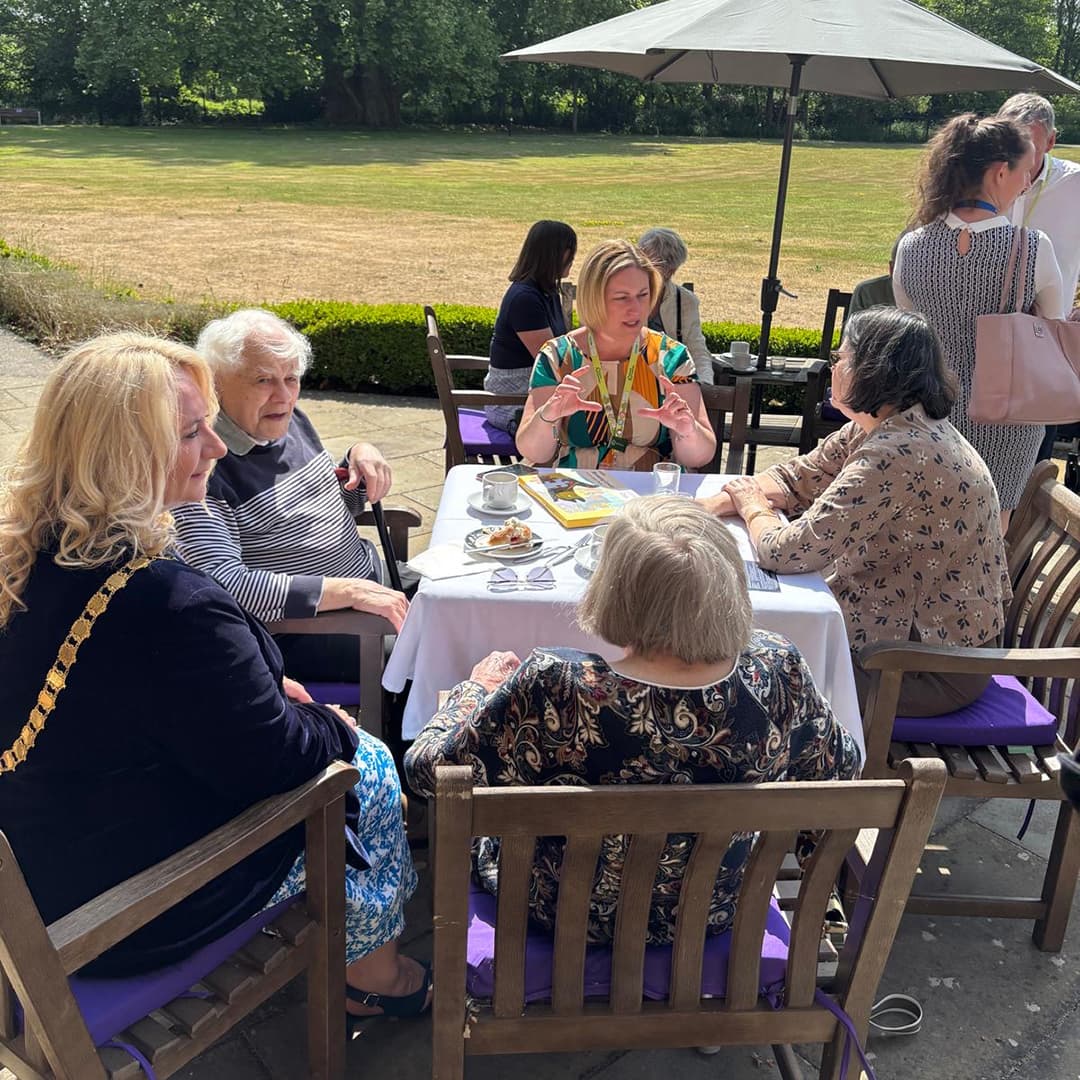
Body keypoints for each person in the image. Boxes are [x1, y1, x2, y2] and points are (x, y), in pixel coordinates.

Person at [0, 334, 428, 1017]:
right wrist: (327, 722)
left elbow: (124, 703)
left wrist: (259, 697)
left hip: (46, 865)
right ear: (125, 455)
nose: (218, 448)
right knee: (365, 769)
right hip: (124, 917)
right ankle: (374, 976)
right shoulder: (170, 604)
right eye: (193, 432)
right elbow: (278, 764)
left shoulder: (28, 556)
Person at [404, 496, 858, 945]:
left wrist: (475, 690)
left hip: (556, 918)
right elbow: (842, 768)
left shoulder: (556, 685)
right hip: (711, 917)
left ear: (616, 590)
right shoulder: (778, 672)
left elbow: (428, 772)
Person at [701, 307, 1011, 718]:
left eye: (841, 357)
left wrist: (752, 506)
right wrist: (717, 504)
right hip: (905, 645)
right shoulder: (885, 425)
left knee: (738, 671)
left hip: (921, 667)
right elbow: (798, 477)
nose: (834, 366)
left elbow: (786, 552)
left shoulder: (897, 452)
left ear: (874, 370)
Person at [172, 308, 409, 686]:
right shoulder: (202, 468)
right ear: (214, 384)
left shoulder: (289, 420)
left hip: (373, 583)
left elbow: (330, 510)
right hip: (308, 628)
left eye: (291, 378)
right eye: (263, 379)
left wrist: (358, 463)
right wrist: (349, 591)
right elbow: (222, 585)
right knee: (437, 651)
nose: (283, 396)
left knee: (473, 600)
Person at [892, 113, 1066, 523]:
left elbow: (911, 323)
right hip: (1008, 418)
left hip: (929, 411)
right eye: (1024, 172)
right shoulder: (1033, 248)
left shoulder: (911, 245)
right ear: (1000, 172)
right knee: (993, 533)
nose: (1027, 184)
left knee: (927, 522)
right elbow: (1053, 328)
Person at [514, 239, 716, 471]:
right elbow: (534, 453)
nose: (636, 308)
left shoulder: (671, 357)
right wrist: (549, 415)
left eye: (643, 295)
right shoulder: (558, 356)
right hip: (574, 491)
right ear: (594, 298)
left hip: (648, 494)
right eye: (622, 297)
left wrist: (688, 431)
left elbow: (698, 458)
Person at [997, 93, 1080, 464]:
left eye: (1027, 144)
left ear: (1050, 141)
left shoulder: (1075, 185)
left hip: (1046, 341)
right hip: (984, 334)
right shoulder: (981, 177)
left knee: (1035, 457)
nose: (1018, 155)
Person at [485, 220, 577, 433]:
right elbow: (551, 359)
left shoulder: (547, 291)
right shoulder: (525, 299)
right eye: (569, 251)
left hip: (533, 393)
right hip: (512, 403)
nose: (572, 258)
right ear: (554, 254)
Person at [637, 227, 714, 384]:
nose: (643, 270)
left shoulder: (685, 301)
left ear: (671, 271)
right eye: (641, 262)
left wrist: (705, 385)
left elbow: (697, 350)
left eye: (652, 266)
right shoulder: (625, 295)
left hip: (670, 383)